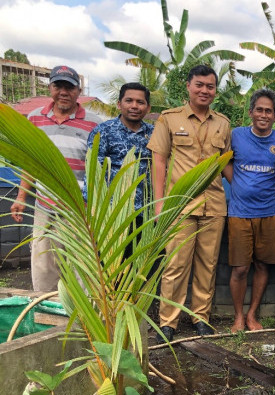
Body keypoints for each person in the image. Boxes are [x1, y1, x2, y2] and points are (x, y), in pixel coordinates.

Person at [147, 65, 231, 340]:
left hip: (214, 204)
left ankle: (200, 317)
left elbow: (226, 164)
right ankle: (168, 321)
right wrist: (160, 204)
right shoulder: (169, 119)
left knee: (208, 264)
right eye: (199, 85)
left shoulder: (223, 123)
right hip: (179, 205)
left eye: (210, 86)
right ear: (188, 86)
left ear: (215, 90)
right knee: (175, 265)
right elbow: (158, 161)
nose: (205, 90)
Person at [10, 65, 103, 292]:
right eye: (58, 85)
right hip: (45, 203)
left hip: (79, 207)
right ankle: (45, 314)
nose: (63, 91)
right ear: (50, 88)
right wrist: (21, 197)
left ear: (78, 91)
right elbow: (31, 162)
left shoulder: (94, 123)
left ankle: (81, 318)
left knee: (82, 266)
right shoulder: (34, 119)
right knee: (43, 264)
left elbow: (98, 168)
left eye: (69, 87)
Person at [227, 89, 275, 331]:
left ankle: (252, 315)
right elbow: (225, 162)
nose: (264, 115)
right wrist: (240, 185)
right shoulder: (236, 136)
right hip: (239, 213)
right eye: (259, 110)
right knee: (240, 268)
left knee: (263, 265)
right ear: (251, 112)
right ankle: (238, 316)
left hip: (270, 212)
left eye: (269, 111)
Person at [84, 82, 153, 224]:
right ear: (119, 104)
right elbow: (92, 174)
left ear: (148, 108)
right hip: (112, 213)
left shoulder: (155, 133)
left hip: (147, 213)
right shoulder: (103, 132)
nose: (134, 106)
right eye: (129, 101)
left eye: (140, 102)